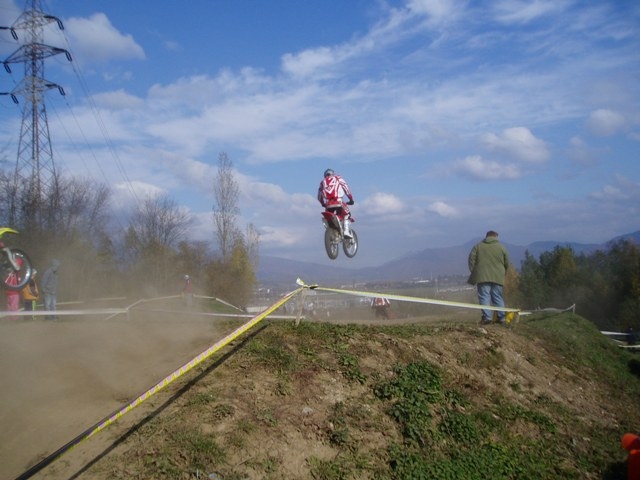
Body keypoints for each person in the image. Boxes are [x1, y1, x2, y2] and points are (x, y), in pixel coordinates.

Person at [468, 230, 510, 325]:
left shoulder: (478, 246)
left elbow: (471, 259)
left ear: (486, 236)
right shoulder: (501, 247)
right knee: (497, 296)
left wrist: (474, 272)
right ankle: (502, 319)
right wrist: (503, 272)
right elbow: (506, 262)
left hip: (482, 275)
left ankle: (487, 318)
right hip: (498, 276)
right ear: (496, 237)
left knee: (484, 296)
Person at [317, 168, 355, 237]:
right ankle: (346, 231)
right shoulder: (338, 178)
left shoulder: (322, 182)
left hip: (328, 205)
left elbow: (319, 196)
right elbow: (346, 188)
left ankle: (334, 232)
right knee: (347, 214)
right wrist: (351, 199)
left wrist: (322, 203)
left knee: (329, 219)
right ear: (333, 174)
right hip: (339, 202)